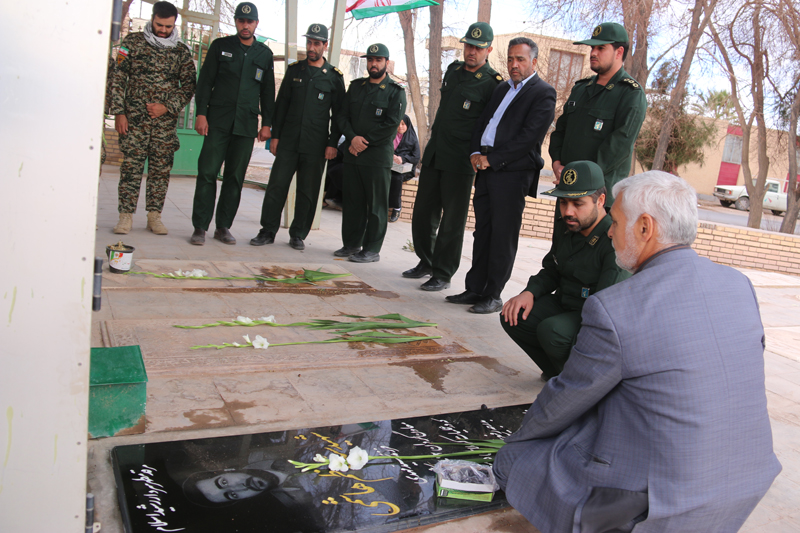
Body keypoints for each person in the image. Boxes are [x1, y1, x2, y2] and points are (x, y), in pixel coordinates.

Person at [493, 171, 781, 533]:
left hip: (662, 502)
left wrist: (520, 438)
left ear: (645, 227)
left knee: (517, 459)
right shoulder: (739, 284)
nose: (610, 232)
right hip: (748, 482)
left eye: (615, 222)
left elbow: (565, 398)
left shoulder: (616, 308)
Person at [446, 37, 556, 313]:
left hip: (512, 173)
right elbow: (483, 123)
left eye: (520, 59)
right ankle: (474, 288)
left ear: (534, 61)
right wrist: (475, 153)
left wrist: (491, 159)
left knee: (502, 235)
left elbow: (528, 138)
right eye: (510, 59)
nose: (514, 64)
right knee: (483, 231)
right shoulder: (501, 88)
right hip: (485, 168)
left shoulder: (543, 93)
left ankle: (493, 294)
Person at [500, 161, 629, 379]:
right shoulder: (568, 225)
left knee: (553, 331)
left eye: (577, 203)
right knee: (513, 314)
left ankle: (581, 382)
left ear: (601, 201)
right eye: (563, 202)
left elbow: (607, 311)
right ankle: (556, 373)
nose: (568, 211)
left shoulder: (613, 239)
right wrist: (529, 292)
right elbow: (552, 268)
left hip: (593, 317)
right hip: (565, 304)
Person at [403, 22, 503, 291]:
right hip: (436, 153)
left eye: (478, 47)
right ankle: (427, 260)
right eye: (469, 45)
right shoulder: (453, 71)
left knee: (452, 221)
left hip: (461, 160)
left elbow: (491, 125)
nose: (471, 51)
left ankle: (443, 272)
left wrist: (482, 157)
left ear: (488, 50)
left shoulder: (493, 84)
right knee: (423, 213)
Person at [249, 24, 345, 251]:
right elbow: (281, 105)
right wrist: (275, 135)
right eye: (309, 42)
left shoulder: (333, 77)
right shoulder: (294, 71)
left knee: (308, 191)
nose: (311, 47)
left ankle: (298, 233)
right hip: (289, 141)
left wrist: (333, 144)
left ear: (325, 46)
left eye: (316, 43)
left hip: (316, 144)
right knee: (276, 186)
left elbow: (340, 115)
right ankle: (267, 231)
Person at [189, 2, 275, 245]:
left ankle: (223, 226)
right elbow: (205, 82)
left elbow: (268, 93)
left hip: (246, 125)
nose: (245, 25)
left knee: (235, 178)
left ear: (256, 23)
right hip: (217, 122)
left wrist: (267, 123)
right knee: (207, 173)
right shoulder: (220, 47)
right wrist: (201, 113)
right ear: (236, 22)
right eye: (241, 21)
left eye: (249, 22)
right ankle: (200, 227)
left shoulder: (264, 54)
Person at [109, 1, 196, 235]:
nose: (164, 30)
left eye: (168, 27)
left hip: (163, 125)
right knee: (131, 169)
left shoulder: (181, 51)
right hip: (134, 121)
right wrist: (119, 112)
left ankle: (154, 216)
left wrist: (167, 106)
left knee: (160, 171)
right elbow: (118, 78)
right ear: (152, 18)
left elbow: (188, 86)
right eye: (160, 25)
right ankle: (125, 216)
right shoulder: (132, 43)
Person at [549, 22, 646, 206]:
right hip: (567, 190)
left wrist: (580, 177)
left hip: (598, 198)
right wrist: (557, 163)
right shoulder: (580, 88)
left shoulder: (630, 93)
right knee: (561, 237)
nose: (593, 53)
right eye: (593, 47)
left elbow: (619, 146)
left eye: (601, 48)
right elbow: (560, 131)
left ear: (619, 52)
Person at [333, 43, 406, 263]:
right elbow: (342, 116)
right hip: (353, 154)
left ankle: (372, 249)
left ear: (386, 62)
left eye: (378, 60)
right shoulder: (356, 87)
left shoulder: (396, 92)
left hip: (376, 157)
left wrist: (363, 142)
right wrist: (352, 138)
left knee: (376, 205)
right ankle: (351, 244)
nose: (373, 64)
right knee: (353, 202)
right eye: (370, 60)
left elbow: (391, 124)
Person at [389, 115, 420, 222]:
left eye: (403, 124)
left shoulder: (412, 139)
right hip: (389, 166)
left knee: (396, 178)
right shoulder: (391, 135)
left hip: (405, 169)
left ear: (407, 125)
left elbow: (416, 157)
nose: (400, 127)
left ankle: (396, 207)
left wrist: (402, 158)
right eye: (398, 123)